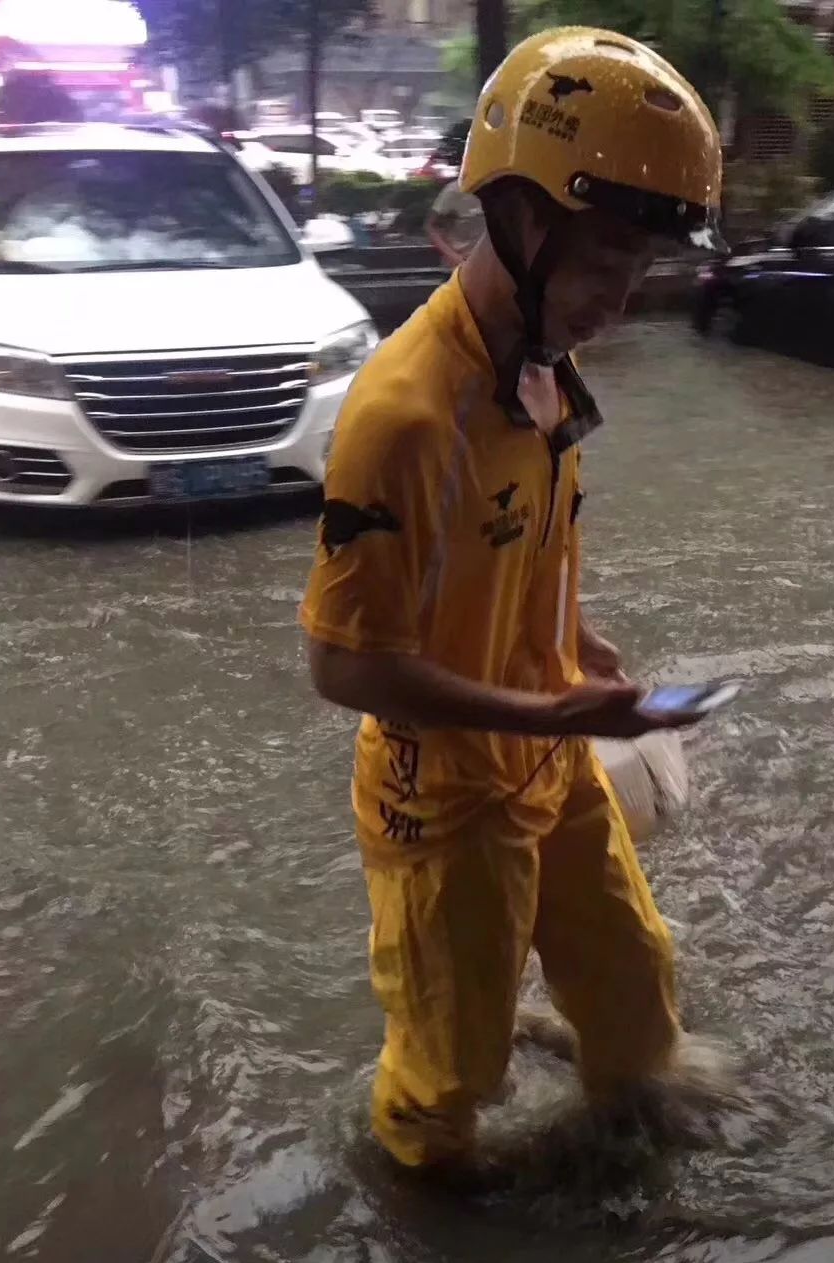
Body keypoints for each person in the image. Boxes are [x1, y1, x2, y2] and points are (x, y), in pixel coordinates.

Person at [301, 26, 725, 1176]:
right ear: (520, 217)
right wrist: (552, 717)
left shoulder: (543, 366)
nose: (618, 302)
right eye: (602, 264)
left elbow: (533, 541)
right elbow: (343, 667)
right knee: (448, 1090)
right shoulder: (404, 416)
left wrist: (578, 646)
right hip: (444, 807)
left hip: (550, 751)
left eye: (639, 271)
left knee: (640, 1006)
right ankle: (425, 1262)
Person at [426, 177, 486, 268]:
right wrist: (454, 257)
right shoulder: (453, 191)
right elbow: (431, 227)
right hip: (459, 266)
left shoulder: (499, 190)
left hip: (489, 264)